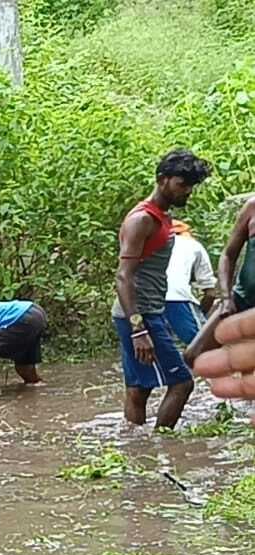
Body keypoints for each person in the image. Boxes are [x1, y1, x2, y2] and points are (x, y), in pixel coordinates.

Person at [114, 149, 211, 430]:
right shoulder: (142, 219)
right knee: (182, 383)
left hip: (144, 311)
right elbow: (123, 276)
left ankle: (136, 450)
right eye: (183, 184)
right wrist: (139, 328)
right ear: (162, 180)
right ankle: (163, 446)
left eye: (191, 185)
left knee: (138, 389)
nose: (188, 191)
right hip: (140, 314)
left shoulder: (162, 217)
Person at [163, 221, 220, 347]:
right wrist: (201, 312)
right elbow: (210, 293)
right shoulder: (193, 245)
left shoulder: (151, 242)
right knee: (202, 346)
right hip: (178, 299)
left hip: (146, 301)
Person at [218, 195, 255, 315]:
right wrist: (226, 298)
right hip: (242, 299)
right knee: (204, 334)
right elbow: (228, 255)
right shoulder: (252, 206)